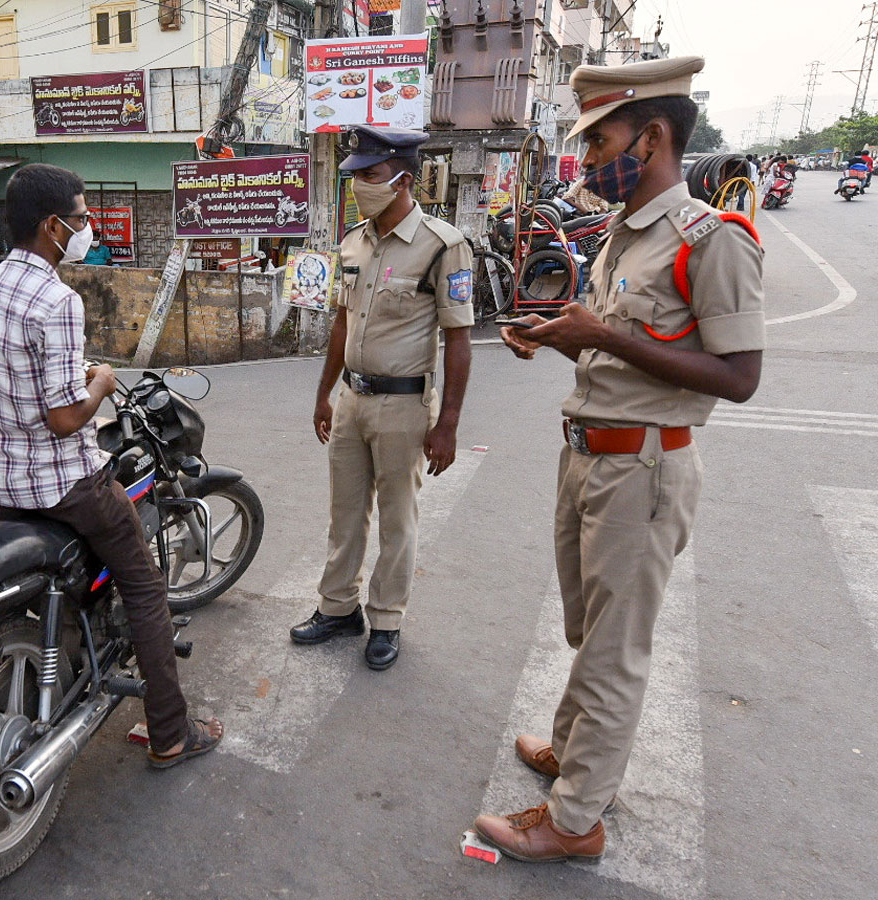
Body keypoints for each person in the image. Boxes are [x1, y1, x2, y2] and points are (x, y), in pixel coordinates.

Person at [470, 55, 765, 861]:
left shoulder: (712, 239)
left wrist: (599, 334)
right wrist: (563, 338)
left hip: (642, 471)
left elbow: (740, 377)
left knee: (613, 647)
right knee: (588, 628)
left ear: (655, 134)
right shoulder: (623, 239)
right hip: (590, 460)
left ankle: (575, 821)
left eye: (600, 143)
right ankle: (577, 754)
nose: (590, 161)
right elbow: (625, 355)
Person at [0, 164, 223, 768]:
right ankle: (170, 733)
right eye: (83, 216)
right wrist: (100, 381)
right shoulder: (57, 299)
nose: (87, 226)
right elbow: (66, 421)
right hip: (64, 485)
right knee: (145, 586)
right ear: (51, 225)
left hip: (0, 486)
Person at [288, 126, 473, 671]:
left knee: (398, 519)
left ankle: (386, 618)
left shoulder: (442, 245)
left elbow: (459, 341)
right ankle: (338, 607)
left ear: (402, 180)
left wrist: (448, 425)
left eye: (369, 176)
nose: (358, 187)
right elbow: (342, 325)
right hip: (352, 400)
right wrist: (324, 393)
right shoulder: (354, 241)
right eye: (355, 178)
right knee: (344, 514)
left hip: (404, 407)